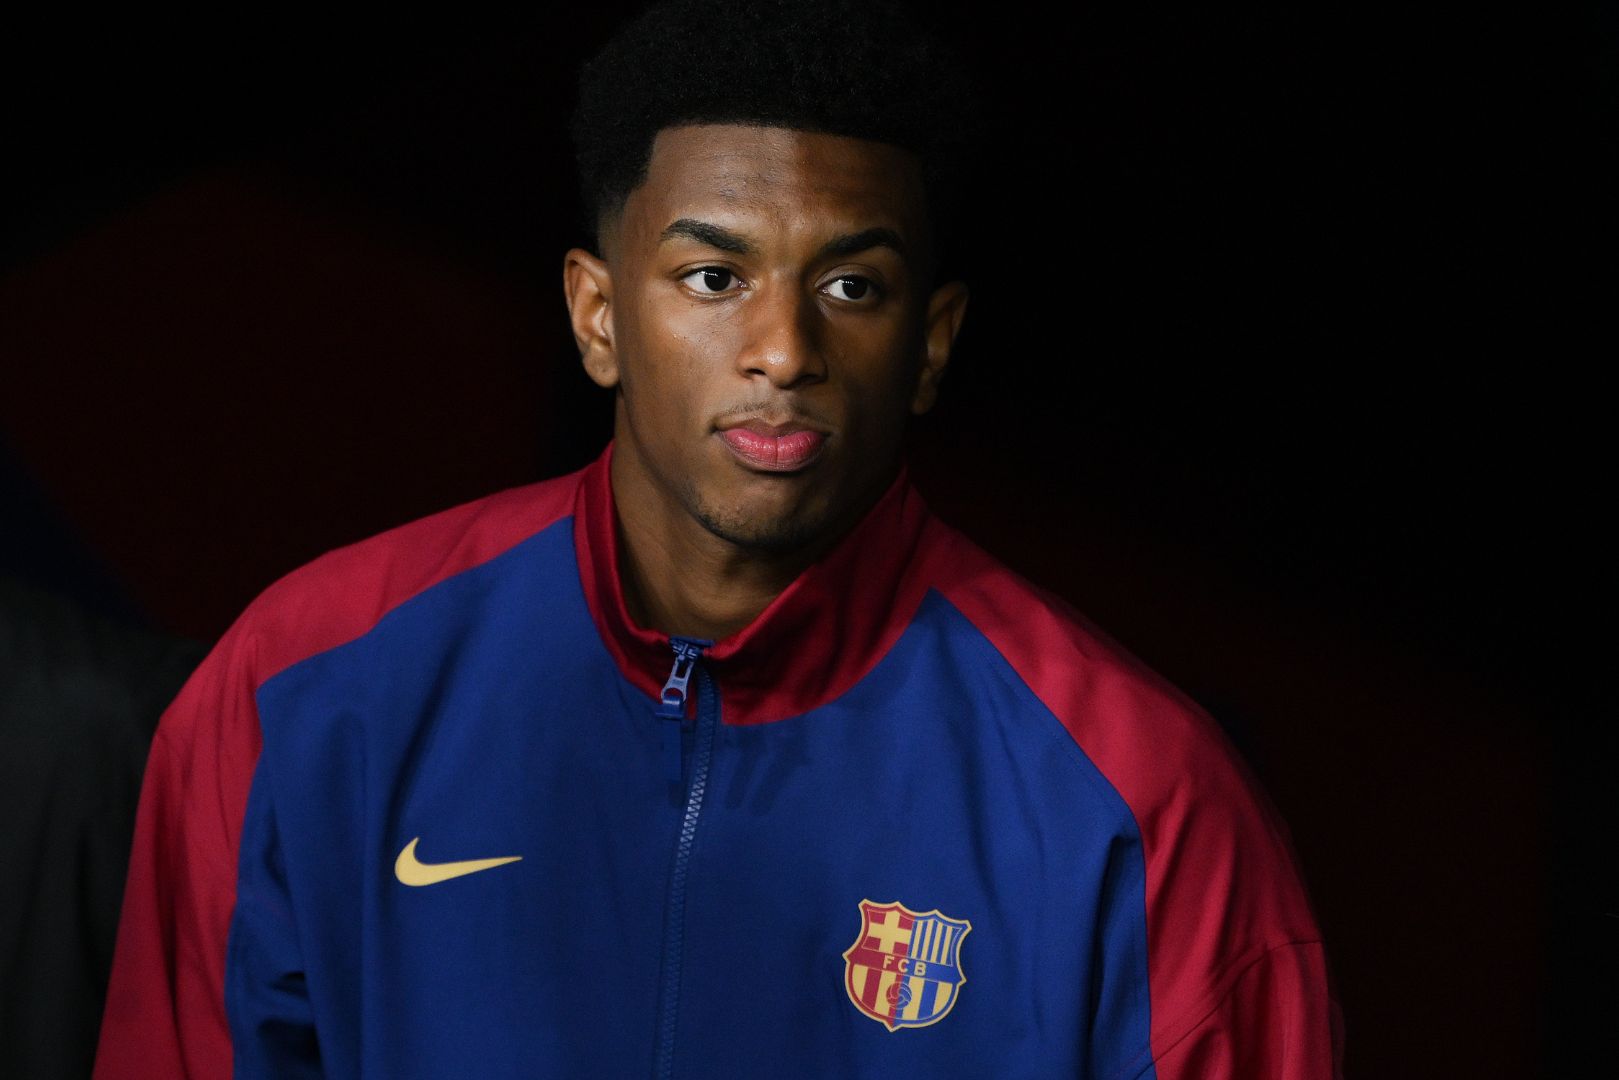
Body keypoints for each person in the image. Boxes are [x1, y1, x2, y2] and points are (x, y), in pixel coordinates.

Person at [95, 1, 1343, 1076]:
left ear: (933, 343)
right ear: (595, 315)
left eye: (851, 287)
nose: (784, 350)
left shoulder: (1138, 809)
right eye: (711, 277)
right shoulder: (305, 691)